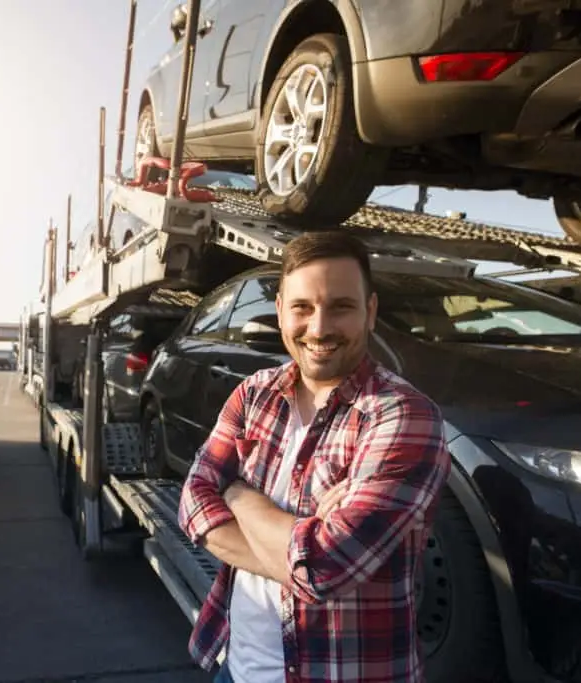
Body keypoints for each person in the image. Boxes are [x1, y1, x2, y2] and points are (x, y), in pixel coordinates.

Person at [177, 230, 451, 683]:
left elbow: (325, 567)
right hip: (236, 667)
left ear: (371, 312)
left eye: (341, 307)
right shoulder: (254, 395)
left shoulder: (404, 415)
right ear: (281, 309)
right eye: (302, 307)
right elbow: (193, 504)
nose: (319, 328)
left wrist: (239, 495)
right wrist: (300, 553)